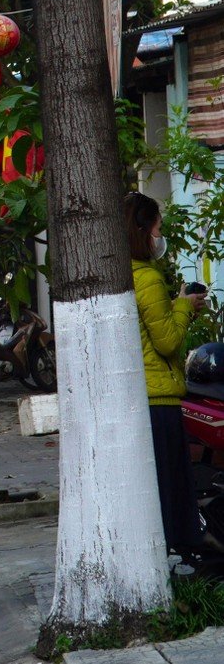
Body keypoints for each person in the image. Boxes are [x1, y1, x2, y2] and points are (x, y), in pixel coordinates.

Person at [130, 192, 217, 559]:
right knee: (171, 491)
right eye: (158, 228)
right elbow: (166, 341)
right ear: (143, 230)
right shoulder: (146, 276)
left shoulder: (126, 273)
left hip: (143, 393)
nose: (159, 236)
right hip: (159, 398)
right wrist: (183, 307)